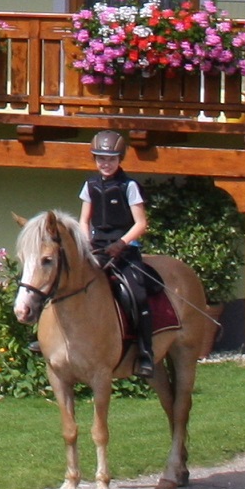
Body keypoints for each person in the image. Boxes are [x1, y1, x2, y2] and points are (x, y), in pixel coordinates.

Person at [79, 131, 158, 378]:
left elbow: (141, 223)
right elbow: (84, 220)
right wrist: (87, 243)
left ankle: (145, 352)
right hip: (97, 248)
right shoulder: (90, 185)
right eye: (101, 158)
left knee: (137, 293)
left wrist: (121, 243)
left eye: (111, 159)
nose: (106, 163)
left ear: (119, 159)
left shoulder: (129, 186)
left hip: (125, 250)